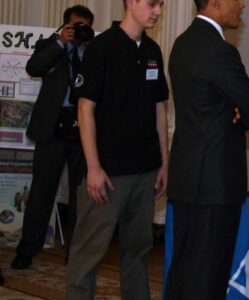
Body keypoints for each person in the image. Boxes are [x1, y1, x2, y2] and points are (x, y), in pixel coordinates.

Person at [66, 0, 169, 298]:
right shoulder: (102, 47)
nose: (158, 11)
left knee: (137, 253)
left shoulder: (153, 52)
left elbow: (159, 109)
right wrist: (94, 167)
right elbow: (85, 109)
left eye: (161, 4)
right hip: (107, 174)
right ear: (131, 2)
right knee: (88, 255)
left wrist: (164, 162)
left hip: (145, 170)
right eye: (152, 3)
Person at [165, 0, 249, 298]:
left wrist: (234, 109)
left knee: (183, 271)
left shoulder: (181, 43)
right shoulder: (221, 51)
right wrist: (236, 111)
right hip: (215, 185)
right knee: (207, 279)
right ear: (217, 2)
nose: (242, 4)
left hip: (186, 181)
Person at [12, 5, 93, 270]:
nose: (79, 31)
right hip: (52, 131)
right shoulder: (51, 45)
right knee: (41, 193)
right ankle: (27, 250)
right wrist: (61, 43)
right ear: (65, 26)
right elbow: (33, 67)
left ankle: (76, 252)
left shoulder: (94, 51)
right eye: (75, 26)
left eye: (84, 26)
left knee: (81, 196)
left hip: (83, 131)